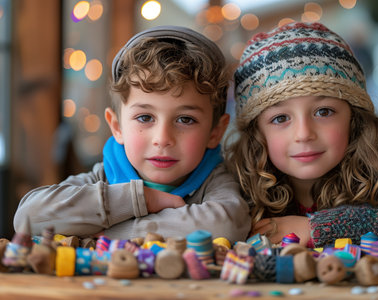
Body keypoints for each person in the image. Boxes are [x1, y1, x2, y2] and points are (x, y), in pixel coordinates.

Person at [14, 26, 251, 243]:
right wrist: (141, 199)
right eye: (145, 118)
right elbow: (27, 217)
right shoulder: (106, 176)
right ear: (117, 127)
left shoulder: (214, 179)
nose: (162, 138)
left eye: (185, 119)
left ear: (215, 132)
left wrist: (113, 232)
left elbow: (227, 225)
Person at [226, 22, 378, 248]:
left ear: (354, 119)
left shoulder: (374, 181)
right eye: (280, 118)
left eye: (323, 112)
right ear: (257, 133)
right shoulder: (236, 194)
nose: (303, 134)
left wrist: (316, 227)